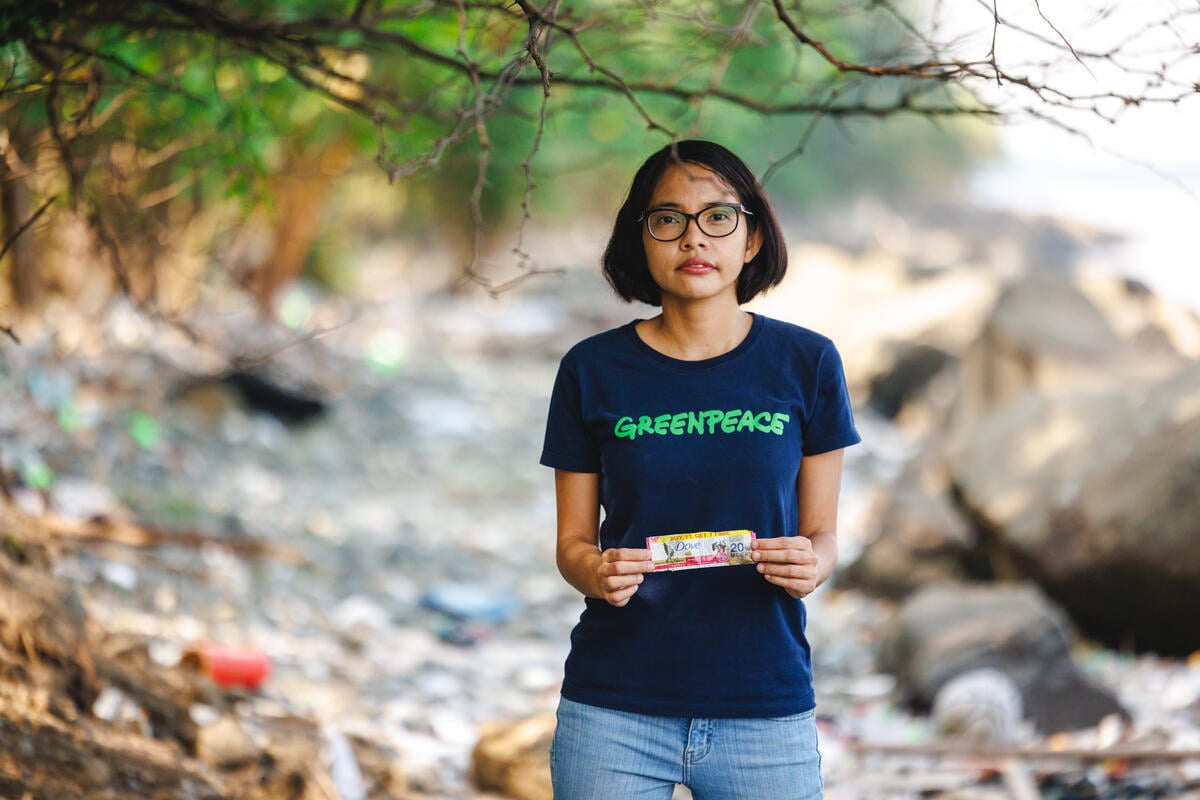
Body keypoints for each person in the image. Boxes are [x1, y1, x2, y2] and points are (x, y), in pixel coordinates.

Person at [540, 139, 861, 799]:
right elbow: (572, 546)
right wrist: (597, 572)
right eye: (669, 219)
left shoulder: (809, 364)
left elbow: (822, 533)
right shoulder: (591, 370)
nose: (694, 238)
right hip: (613, 708)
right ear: (642, 239)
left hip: (764, 704)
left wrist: (815, 563)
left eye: (718, 217)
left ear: (751, 239)